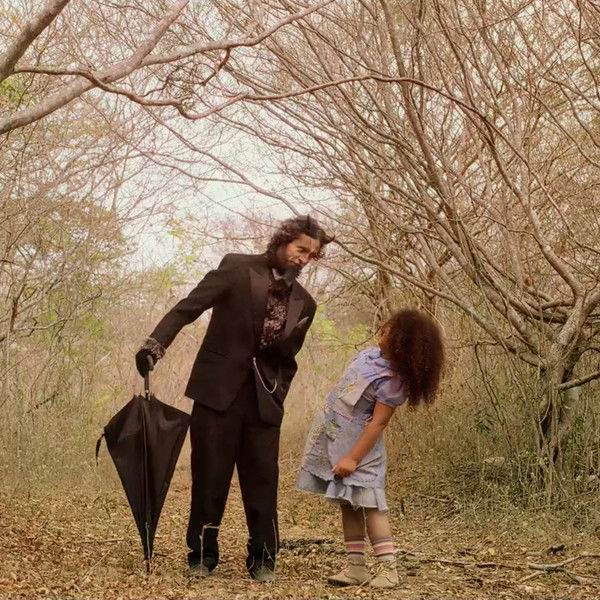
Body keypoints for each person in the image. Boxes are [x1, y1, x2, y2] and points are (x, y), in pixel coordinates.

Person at [135, 215, 332, 582]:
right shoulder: (237, 268)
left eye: (311, 255)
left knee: (263, 481)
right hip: (217, 393)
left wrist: (278, 393)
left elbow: (288, 360)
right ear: (283, 240)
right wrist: (154, 346)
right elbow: (189, 307)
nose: (304, 258)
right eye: (300, 249)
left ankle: (263, 558)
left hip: (264, 402)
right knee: (209, 477)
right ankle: (202, 556)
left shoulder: (305, 303)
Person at [297, 308, 444, 588]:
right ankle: (356, 568)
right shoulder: (368, 356)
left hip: (361, 452)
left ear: (403, 342)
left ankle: (389, 569)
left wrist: (353, 458)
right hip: (339, 444)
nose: (383, 331)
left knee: (371, 506)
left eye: (390, 331)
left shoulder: (393, 380)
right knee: (348, 505)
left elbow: (378, 423)